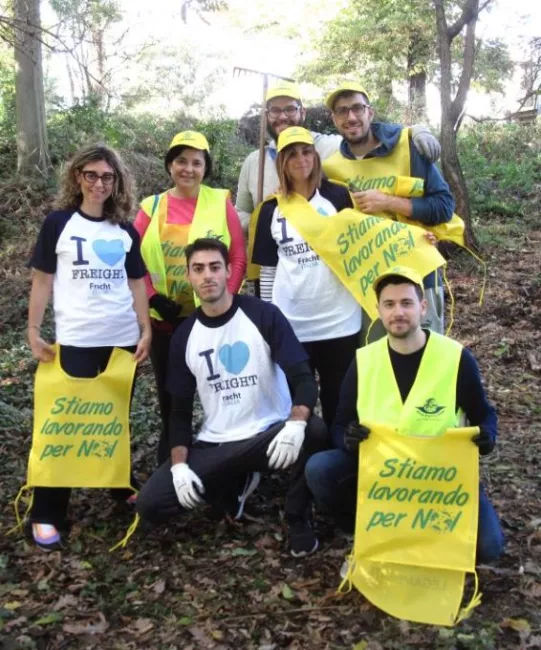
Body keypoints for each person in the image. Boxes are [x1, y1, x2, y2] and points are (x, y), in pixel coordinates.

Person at [136, 238, 328, 556]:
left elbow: (304, 379)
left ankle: (298, 518)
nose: (207, 276)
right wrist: (179, 467)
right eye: (198, 269)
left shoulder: (264, 315)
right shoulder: (184, 336)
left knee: (315, 431)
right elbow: (179, 414)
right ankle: (233, 482)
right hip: (218, 444)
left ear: (228, 271)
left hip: (269, 435)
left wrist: (295, 423)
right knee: (151, 504)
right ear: (189, 276)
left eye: (214, 267)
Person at [304, 266, 505, 566]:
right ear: (378, 311)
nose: (398, 312)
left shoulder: (455, 358)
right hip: (383, 477)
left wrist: (487, 436)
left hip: (441, 478)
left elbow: (484, 415)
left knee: (488, 549)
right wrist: (348, 440)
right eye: (389, 304)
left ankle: (424, 533)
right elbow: (341, 423)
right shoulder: (364, 361)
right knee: (320, 468)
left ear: (423, 308)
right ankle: (362, 528)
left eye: (406, 303)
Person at [27, 143, 152, 551]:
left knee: (114, 417)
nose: (99, 183)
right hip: (76, 340)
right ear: (77, 177)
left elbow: (136, 284)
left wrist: (145, 328)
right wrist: (33, 330)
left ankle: (117, 483)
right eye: (91, 175)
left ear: (118, 183)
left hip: (120, 341)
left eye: (107, 177)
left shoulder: (124, 230)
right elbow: (43, 280)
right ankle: (47, 510)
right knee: (64, 424)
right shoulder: (58, 223)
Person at [134, 131, 246, 464]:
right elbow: (131, 258)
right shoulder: (151, 207)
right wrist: (152, 298)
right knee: (172, 394)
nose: (188, 169)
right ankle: (170, 458)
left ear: (205, 167)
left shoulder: (219, 201)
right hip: (166, 320)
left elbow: (237, 257)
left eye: (197, 162)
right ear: (170, 165)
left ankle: (222, 458)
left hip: (211, 318)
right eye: (181, 161)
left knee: (220, 389)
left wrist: (224, 300)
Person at [322, 82, 455, 338]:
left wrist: (388, 202)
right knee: (377, 362)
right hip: (367, 284)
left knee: (425, 358)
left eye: (357, 108)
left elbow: (444, 206)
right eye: (342, 111)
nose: (351, 117)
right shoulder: (331, 168)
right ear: (334, 120)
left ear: (370, 113)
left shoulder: (408, 148)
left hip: (419, 277)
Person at [251, 126, 360, 429]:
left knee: (341, 400)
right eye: (292, 154)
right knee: (296, 401)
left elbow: (362, 247)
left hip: (341, 320)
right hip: (292, 323)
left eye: (307, 151)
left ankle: (338, 462)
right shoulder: (270, 209)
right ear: (282, 162)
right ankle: (301, 464)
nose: (301, 159)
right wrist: (269, 322)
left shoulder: (338, 196)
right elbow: (268, 270)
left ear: (316, 155)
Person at [235, 80, 441, 233]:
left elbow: (364, 134)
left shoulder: (331, 148)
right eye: (275, 110)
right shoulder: (254, 162)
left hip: (325, 260)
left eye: (290, 109)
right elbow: (240, 212)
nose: (282, 116)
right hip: (270, 263)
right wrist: (263, 222)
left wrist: (414, 130)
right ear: (266, 116)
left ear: (303, 113)